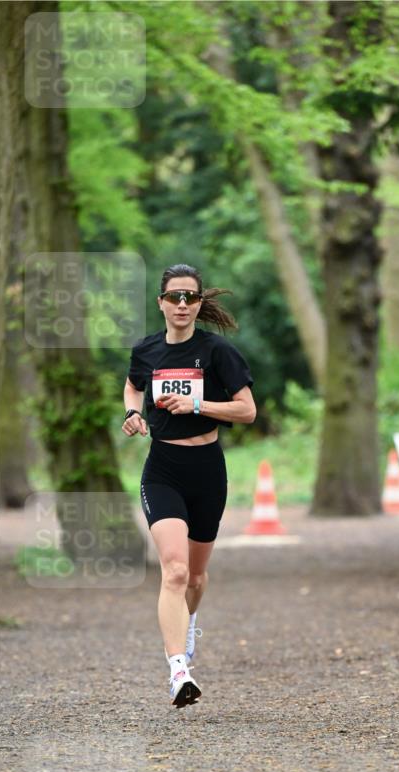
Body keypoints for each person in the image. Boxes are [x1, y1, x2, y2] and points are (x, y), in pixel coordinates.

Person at [123, 264, 256, 707]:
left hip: (206, 470)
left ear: (199, 305)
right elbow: (131, 386)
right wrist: (132, 413)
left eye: (191, 298)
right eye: (175, 297)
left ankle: (189, 622)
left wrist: (197, 402)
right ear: (160, 301)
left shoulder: (217, 352)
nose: (182, 305)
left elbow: (247, 411)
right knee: (175, 570)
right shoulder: (146, 350)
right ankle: (179, 670)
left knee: (196, 576)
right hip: (162, 468)